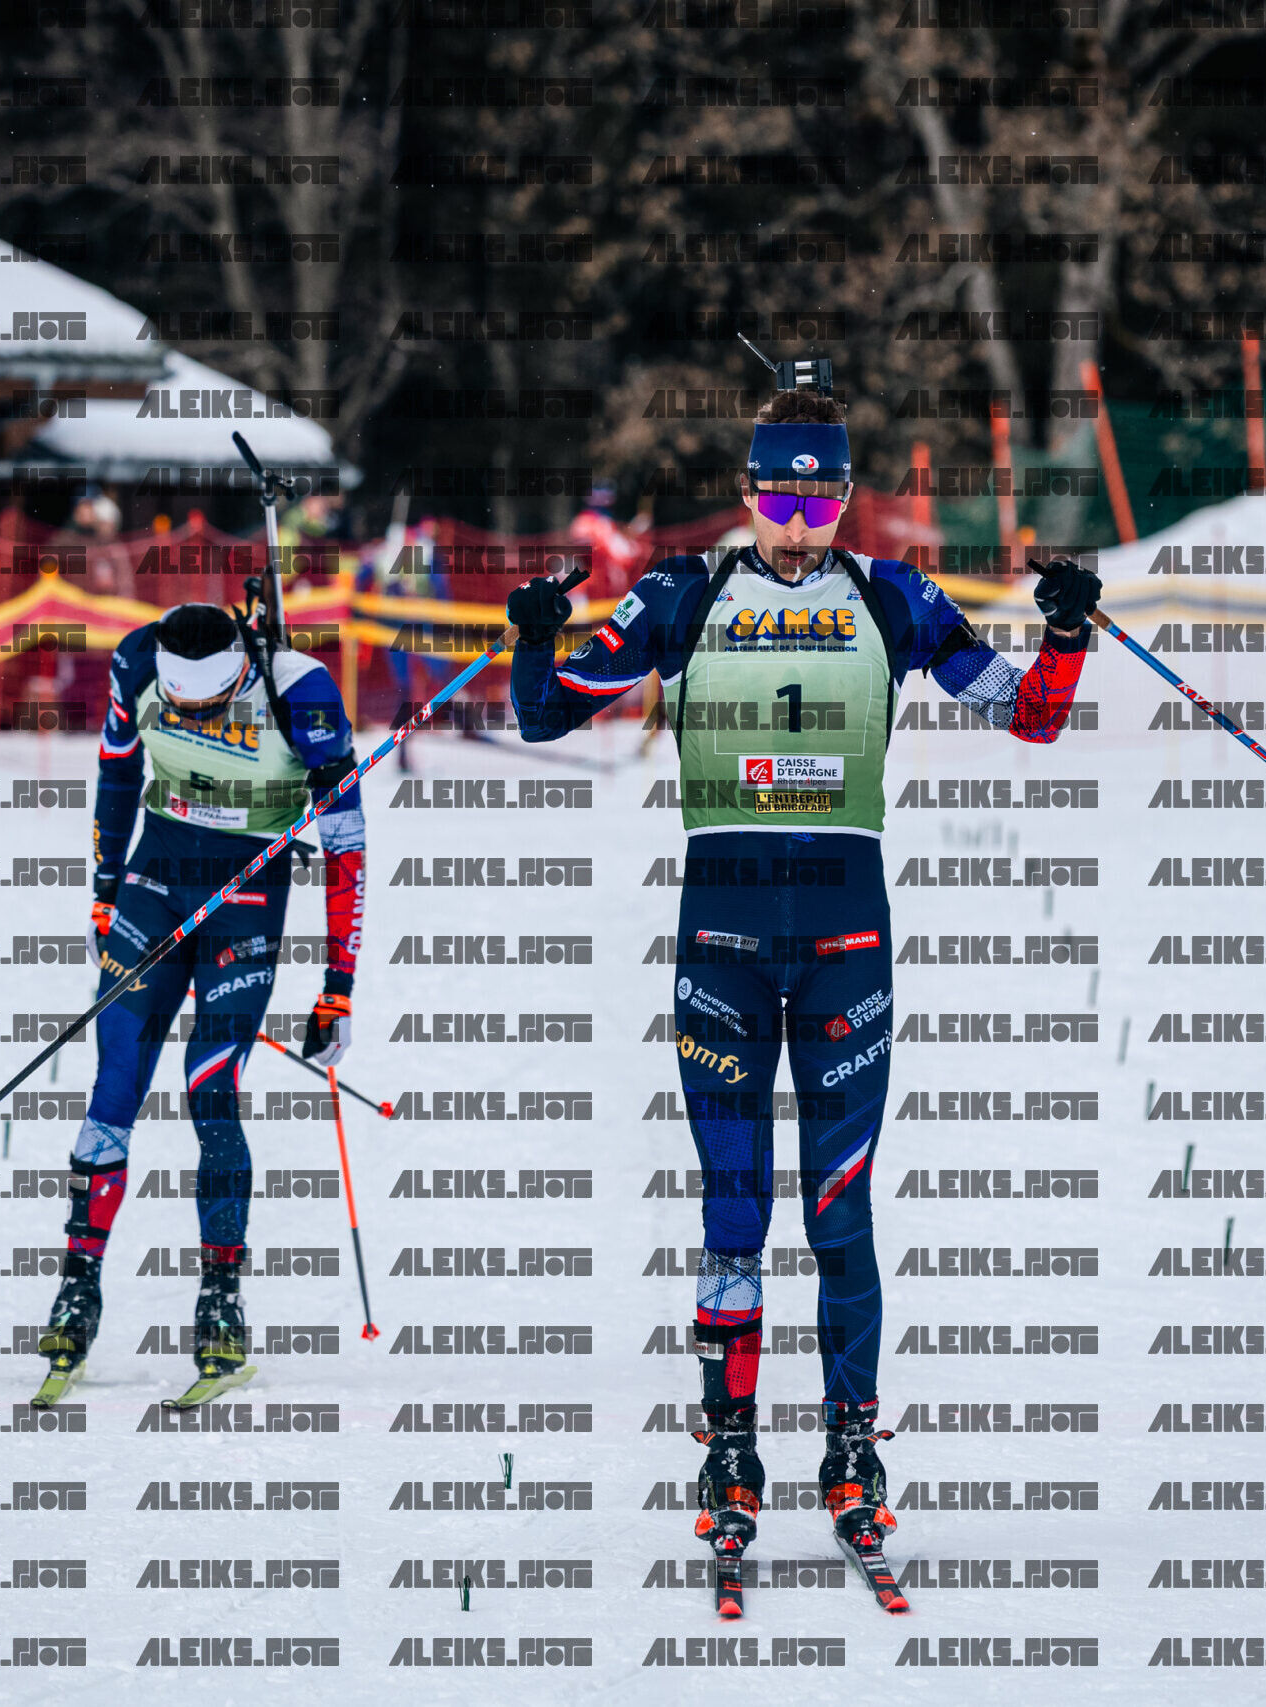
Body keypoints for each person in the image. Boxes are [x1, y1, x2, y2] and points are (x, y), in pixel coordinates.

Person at [504, 385, 1100, 1608]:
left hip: (846, 946)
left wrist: (1066, 633)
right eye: (778, 496)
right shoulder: (685, 593)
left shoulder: (893, 597)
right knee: (732, 1214)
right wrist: (534, 634)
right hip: (720, 946)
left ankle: (850, 1453)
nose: (797, 521)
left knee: (838, 1214)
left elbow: (1031, 719)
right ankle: (729, 1452)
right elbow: (544, 710)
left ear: (843, 498)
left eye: (819, 499)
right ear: (745, 492)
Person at [35, 602, 366, 1402]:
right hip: (155, 879)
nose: (193, 718)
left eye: (209, 707)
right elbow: (119, 772)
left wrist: (338, 987)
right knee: (114, 1086)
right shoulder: (137, 662)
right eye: (182, 709)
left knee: (210, 1089)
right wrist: (104, 893)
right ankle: (78, 1289)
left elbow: (347, 845)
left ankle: (221, 1300)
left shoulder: (302, 693)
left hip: (246, 893)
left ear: (239, 675)